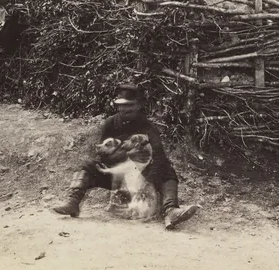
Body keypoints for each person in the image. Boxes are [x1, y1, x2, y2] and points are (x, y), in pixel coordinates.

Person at [52, 80, 200, 229]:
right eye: (122, 106)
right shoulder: (111, 123)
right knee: (88, 166)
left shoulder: (148, 126)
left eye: (130, 106)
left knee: (168, 171)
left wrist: (147, 181)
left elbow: (159, 157)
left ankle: (171, 210)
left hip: (142, 174)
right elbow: (102, 154)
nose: (125, 110)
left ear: (138, 106)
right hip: (117, 174)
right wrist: (124, 156)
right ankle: (73, 203)